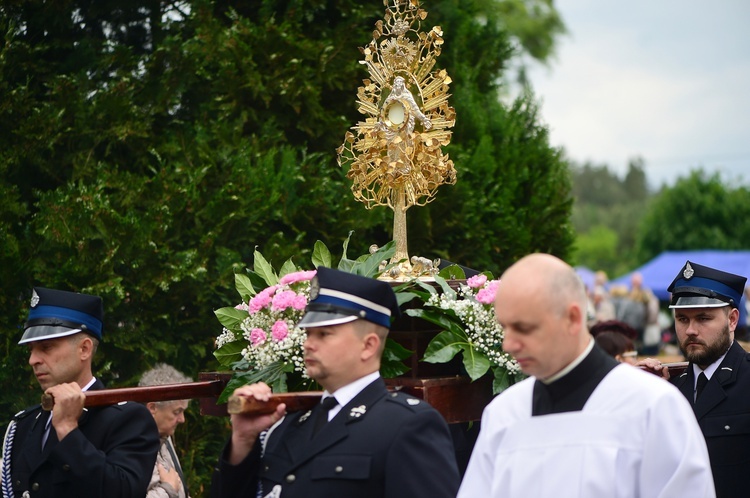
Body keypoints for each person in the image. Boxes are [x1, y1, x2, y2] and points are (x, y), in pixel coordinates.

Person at [457, 254, 714, 497]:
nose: (509, 345)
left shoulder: (653, 407)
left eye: (523, 328)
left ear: (572, 317)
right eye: (504, 328)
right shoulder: (504, 414)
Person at [210, 267, 460, 498]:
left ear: (368, 346)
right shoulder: (286, 423)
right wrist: (242, 441)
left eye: (324, 334)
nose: (308, 343)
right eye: (308, 333)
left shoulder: (407, 425)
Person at [1, 287, 160, 498]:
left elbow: (122, 492)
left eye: (46, 347)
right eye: (31, 350)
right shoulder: (23, 425)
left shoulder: (128, 420)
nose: (33, 360)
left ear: (84, 349)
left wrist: (68, 430)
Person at [640, 261, 749, 498]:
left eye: (703, 318)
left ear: (732, 320)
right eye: (682, 319)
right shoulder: (667, 388)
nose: (690, 330)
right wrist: (640, 394)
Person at [139, 364, 193, 498]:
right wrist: (168, 489)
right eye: (177, 412)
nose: (182, 419)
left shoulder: (164, 436)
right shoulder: (132, 445)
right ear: (152, 408)